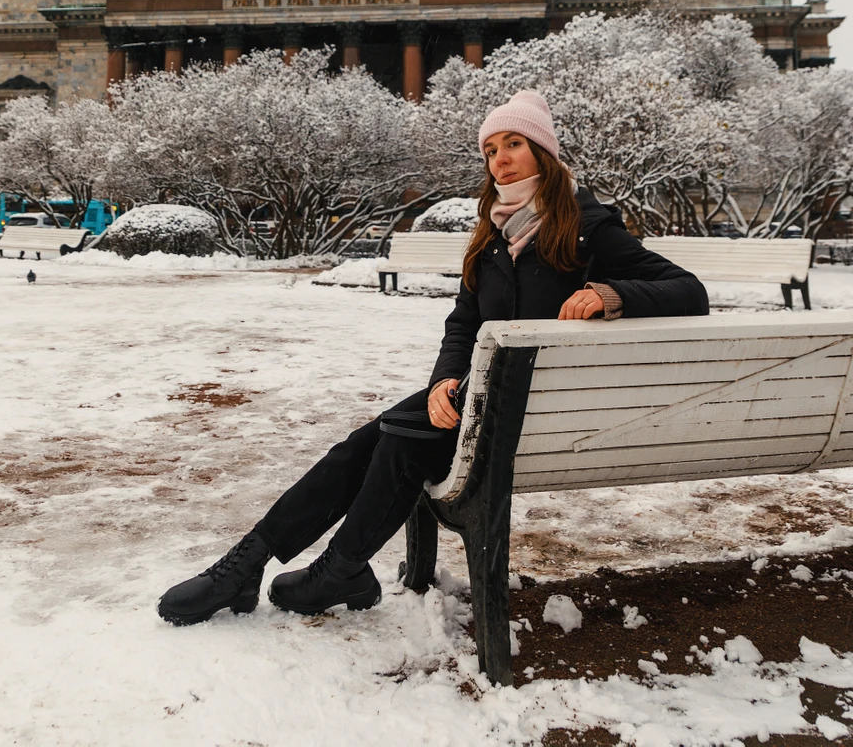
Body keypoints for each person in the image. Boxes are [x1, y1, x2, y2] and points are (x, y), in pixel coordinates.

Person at [157, 90, 708, 627]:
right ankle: (272, 564)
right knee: (372, 440)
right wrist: (445, 379)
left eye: (513, 143)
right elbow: (464, 324)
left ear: (542, 152)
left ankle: (310, 568)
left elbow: (689, 290)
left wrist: (611, 296)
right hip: (484, 401)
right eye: (490, 150)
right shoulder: (490, 235)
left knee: (397, 438)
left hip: (544, 412)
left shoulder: (588, 228)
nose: (500, 159)